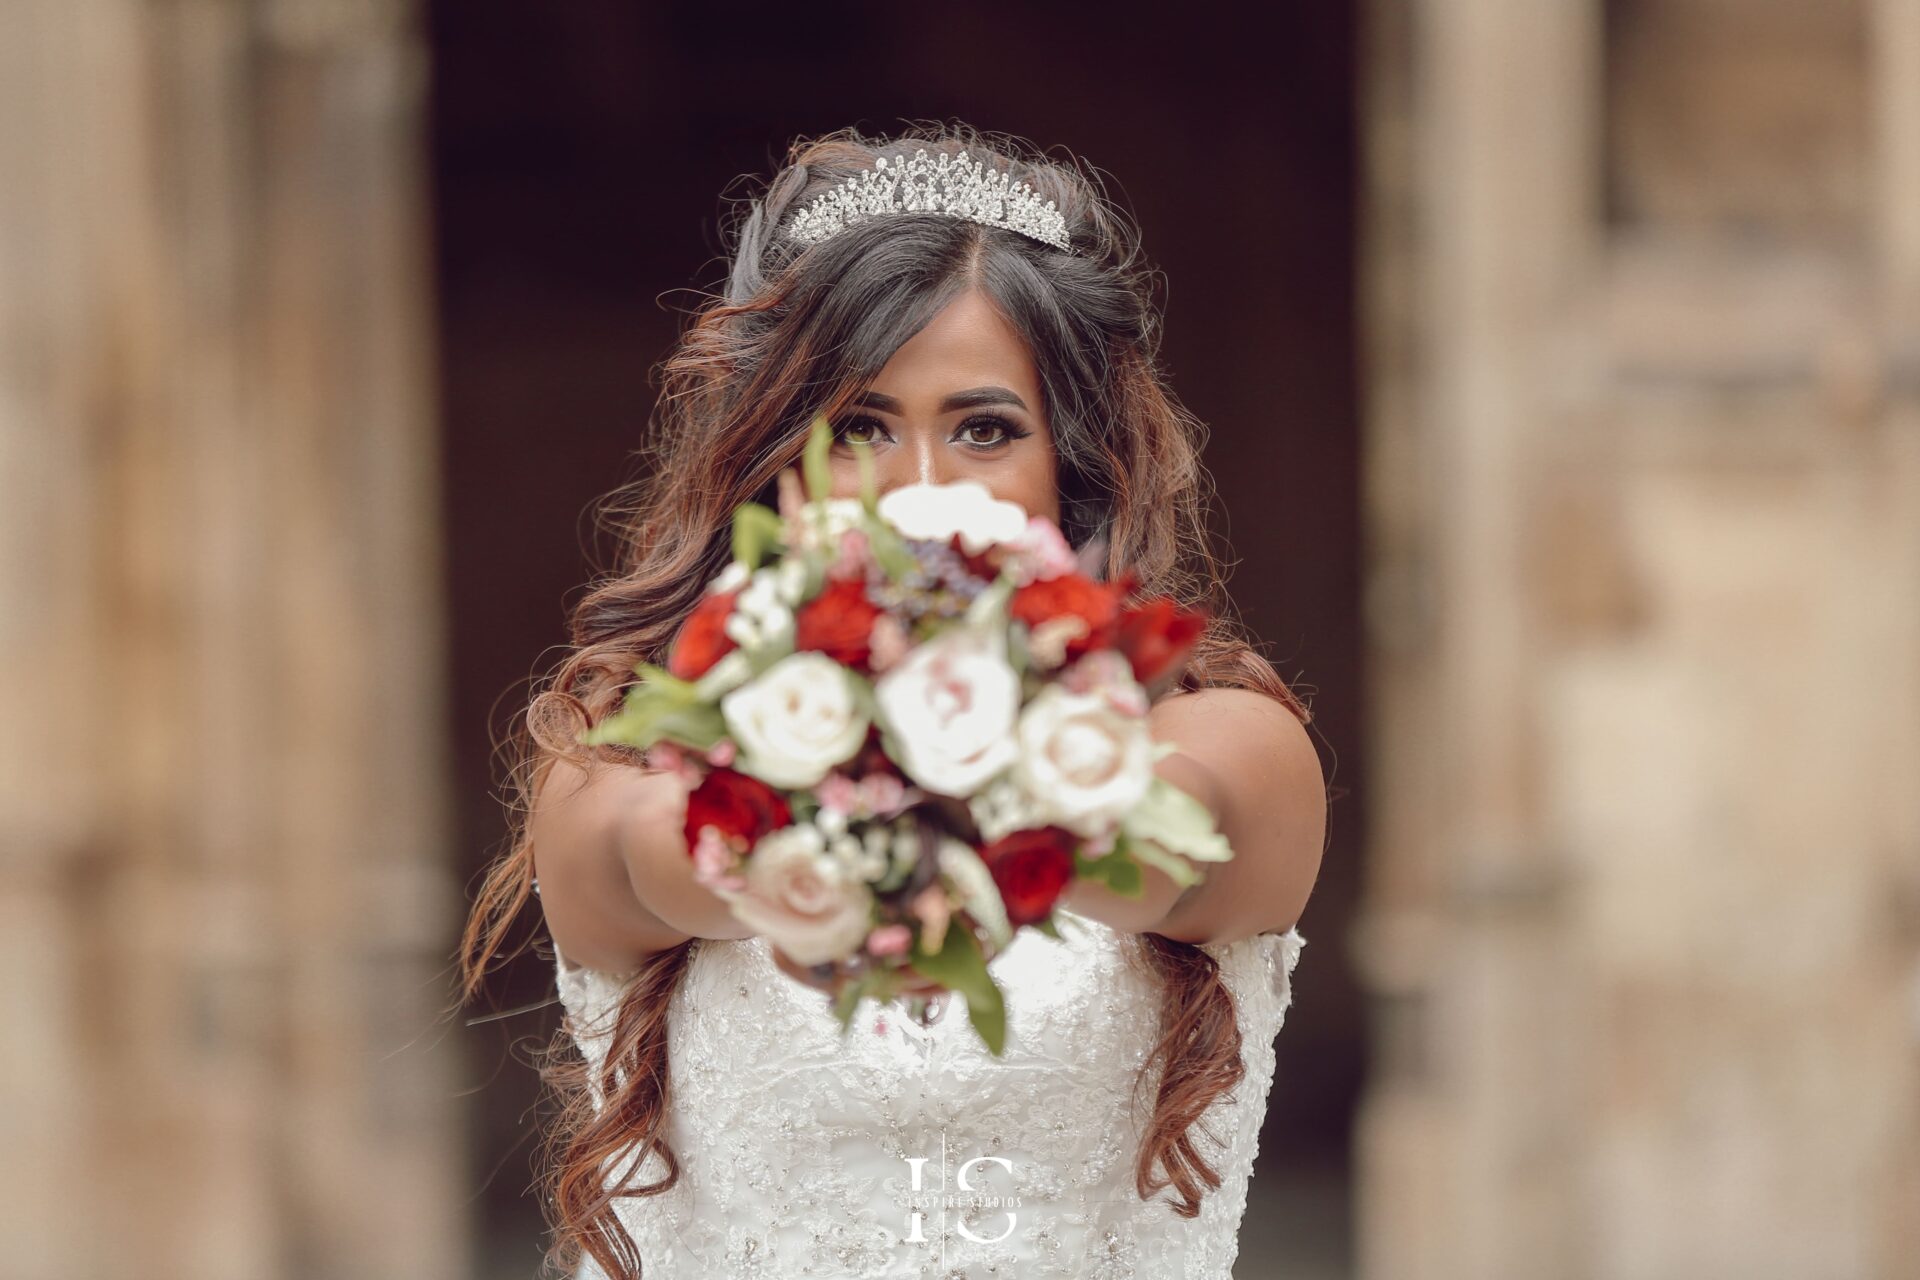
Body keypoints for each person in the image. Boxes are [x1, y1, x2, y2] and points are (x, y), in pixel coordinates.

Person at [459, 122, 1328, 1279]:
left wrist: (978, 724)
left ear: (1072, 459)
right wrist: (817, 737)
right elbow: (663, 855)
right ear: (774, 455)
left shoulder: (1224, 739)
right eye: (859, 428)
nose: (919, 489)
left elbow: (1162, 839)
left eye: (984, 428)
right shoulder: (621, 765)